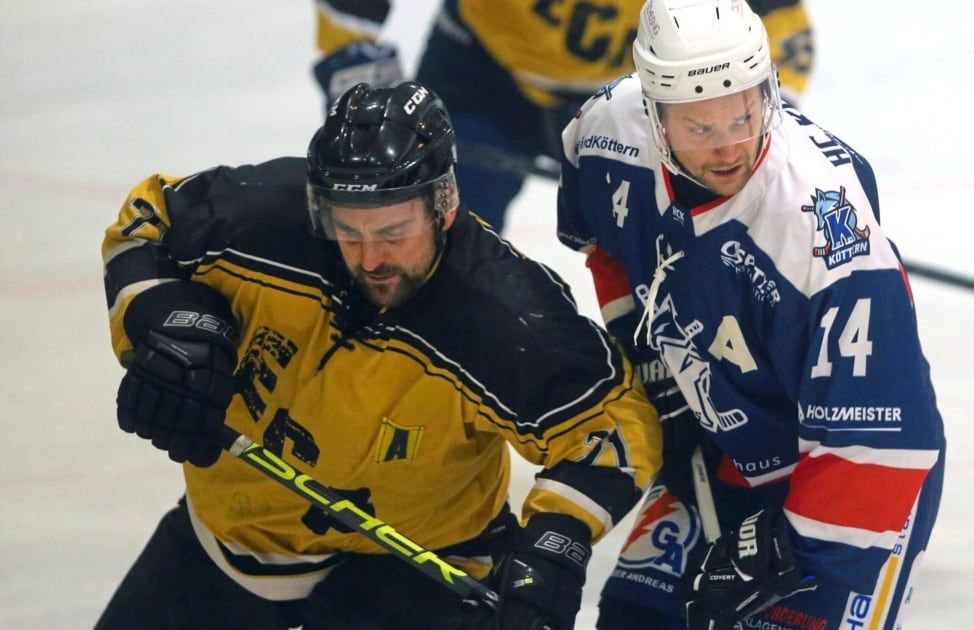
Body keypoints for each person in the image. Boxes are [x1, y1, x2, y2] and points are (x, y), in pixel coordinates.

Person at [97, 80, 662, 629]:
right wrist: (168, 325)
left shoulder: (504, 312)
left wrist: (555, 543)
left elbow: (617, 423)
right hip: (233, 534)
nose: (370, 260)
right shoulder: (263, 220)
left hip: (421, 570)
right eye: (349, 232)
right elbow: (147, 224)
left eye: (393, 232)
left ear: (444, 204)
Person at [556, 1, 946, 628]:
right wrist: (648, 356)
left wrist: (779, 553)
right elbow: (606, 237)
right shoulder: (608, 132)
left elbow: (882, 443)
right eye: (700, 129)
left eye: (743, 115)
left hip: (838, 482)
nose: (729, 149)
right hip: (720, 443)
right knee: (633, 617)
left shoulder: (821, 231)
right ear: (654, 115)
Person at [312, 0, 815, 234]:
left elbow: (779, 26)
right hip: (481, 72)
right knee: (433, 229)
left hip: (627, 92)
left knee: (668, 243)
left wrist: (758, 130)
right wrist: (354, 49)